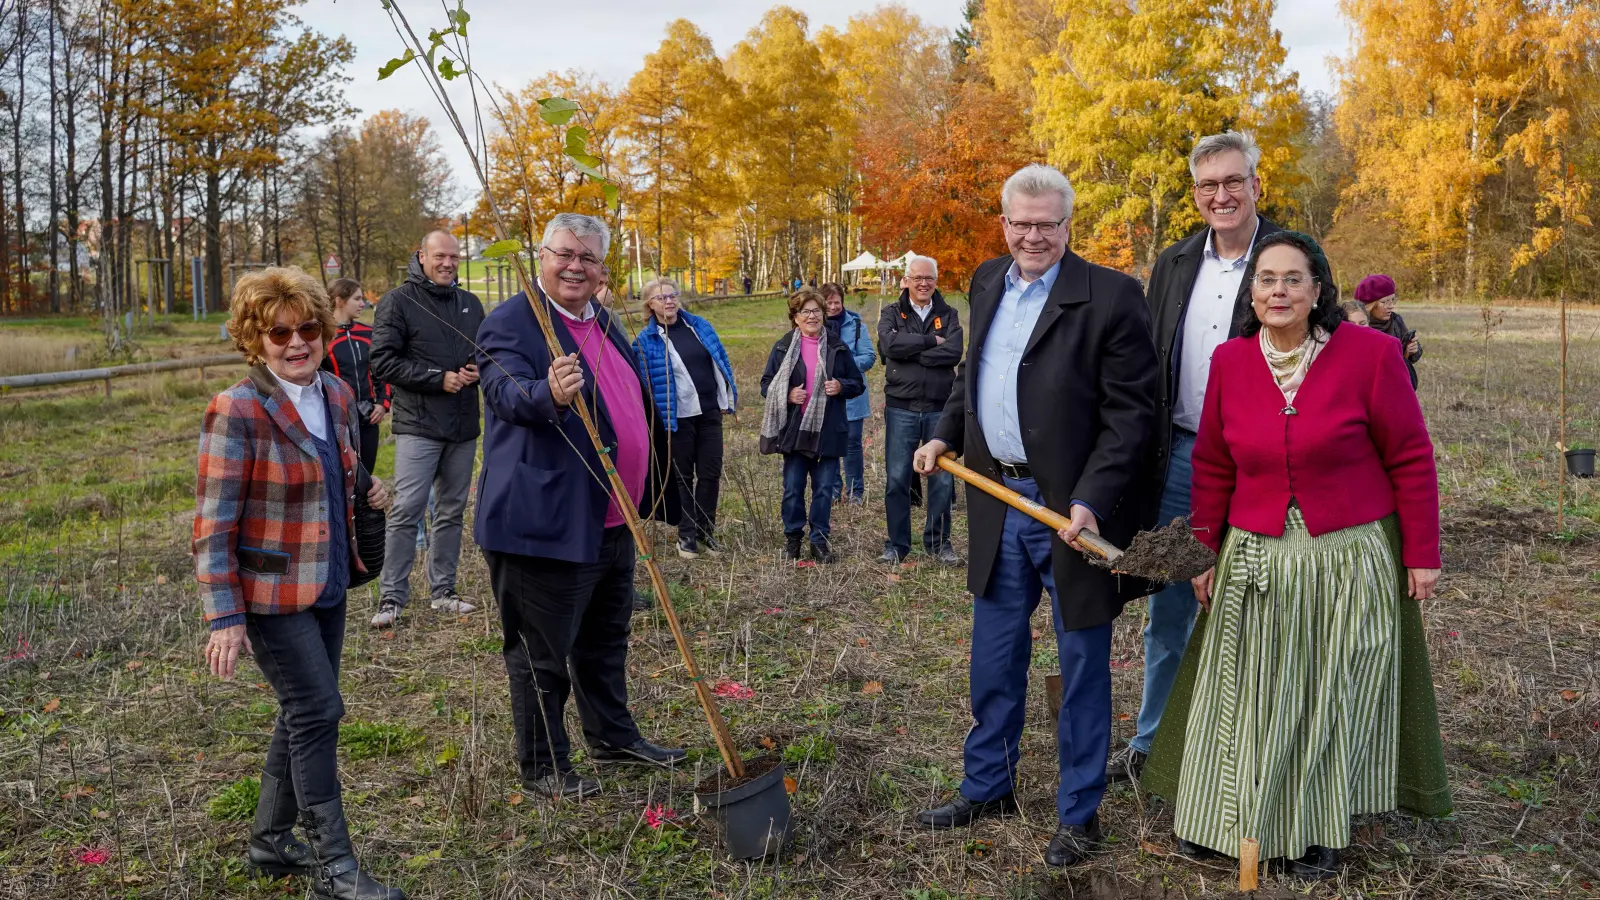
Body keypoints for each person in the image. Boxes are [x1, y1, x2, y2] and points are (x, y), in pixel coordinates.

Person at [1151, 231, 1448, 879]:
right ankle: (1221, 821)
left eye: (1293, 279)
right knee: (1243, 691)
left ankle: (1318, 827)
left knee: (1324, 691)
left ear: (1319, 291)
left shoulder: (1370, 354)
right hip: (1255, 552)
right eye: (1265, 279)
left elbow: (1410, 454)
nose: (1277, 291)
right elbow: (1212, 465)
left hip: (1345, 555)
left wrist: (1421, 551)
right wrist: (1203, 553)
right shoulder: (1231, 362)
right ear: (1250, 291)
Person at [910, 164, 1157, 867]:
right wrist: (945, 434)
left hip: (1069, 516)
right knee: (994, 660)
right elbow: (972, 378)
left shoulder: (1110, 296)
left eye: (1047, 224)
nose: (1032, 236)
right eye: (1020, 223)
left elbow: (1130, 415)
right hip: (996, 502)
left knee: (1081, 666)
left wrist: (1089, 499)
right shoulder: (988, 280)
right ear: (1005, 224)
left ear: (1068, 225)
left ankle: (1079, 814)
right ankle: (988, 784)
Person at [195, 267, 402, 900]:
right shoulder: (238, 409)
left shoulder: (336, 393)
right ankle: (335, 867)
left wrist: (367, 484)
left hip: (332, 579)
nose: (296, 342)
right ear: (255, 340)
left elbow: (342, 462)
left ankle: (269, 841)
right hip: (270, 594)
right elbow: (212, 525)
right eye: (279, 332)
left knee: (302, 712)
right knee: (318, 709)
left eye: (307, 328)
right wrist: (225, 617)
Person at [475, 213, 686, 799]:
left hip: (611, 519)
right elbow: (505, 392)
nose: (575, 266)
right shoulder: (513, 322)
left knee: (604, 637)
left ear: (603, 269)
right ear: (542, 256)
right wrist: (551, 394)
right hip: (544, 521)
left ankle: (613, 736)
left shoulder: (603, 319)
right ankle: (544, 766)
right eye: (564, 253)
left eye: (588, 258)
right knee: (542, 653)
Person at [1111, 131, 1282, 784]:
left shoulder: (1288, 255)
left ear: (1256, 185)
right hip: (1182, 456)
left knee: (1263, 594)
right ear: (1195, 194)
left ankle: (1253, 747)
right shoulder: (1176, 262)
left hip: (1263, 460)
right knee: (1172, 601)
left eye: (1233, 181)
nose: (1222, 195)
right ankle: (1154, 742)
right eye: (1209, 185)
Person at [369, 231, 485, 627]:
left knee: (451, 511)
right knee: (407, 510)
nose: (448, 263)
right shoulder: (397, 302)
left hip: (463, 424)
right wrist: (438, 378)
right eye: (440, 256)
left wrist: (477, 370)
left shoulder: (470, 303)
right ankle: (392, 598)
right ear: (421, 256)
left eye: (454, 257)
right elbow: (382, 362)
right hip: (418, 424)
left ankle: (443, 591)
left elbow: (486, 354)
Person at [632, 277, 738, 558]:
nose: (669, 301)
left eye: (672, 295)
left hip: (709, 412)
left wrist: (728, 396)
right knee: (682, 477)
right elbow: (644, 387)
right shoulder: (645, 341)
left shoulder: (699, 326)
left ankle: (706, 533)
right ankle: (687, 536)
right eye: (661, 298)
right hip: (676, 419)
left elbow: (721, 360)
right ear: (649, 306)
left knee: (710, 474)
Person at [759, 287, 865, 563]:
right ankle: (793, 538)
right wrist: (788, 393)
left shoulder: (836, 346)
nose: (811, 316)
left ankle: (820, 540)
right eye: (805, 311)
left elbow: (857, 384)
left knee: (823, 490)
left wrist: (841, 385)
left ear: (823, 314)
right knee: (793, 489)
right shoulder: (783, 346)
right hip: (794, 432)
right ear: (795, 317)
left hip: (828, 432)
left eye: (816, 311)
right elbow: (766, 384)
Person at [877, 254, 963, 564]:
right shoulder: (891, 313)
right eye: (917, 278)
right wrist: (930, 342)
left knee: (942, 480)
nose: (924, 283)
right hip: (902, 407)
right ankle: (897, 546)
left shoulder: (949, 314)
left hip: (941, 408)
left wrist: (911, 351)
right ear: (906, 281)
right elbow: (888, 347)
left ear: (936, 281)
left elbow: (954, 352)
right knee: (897, 478)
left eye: (929, 278)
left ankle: (939, 544)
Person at [321, 279, 389, 475]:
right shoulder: (323, 336)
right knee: (341, 476)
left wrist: (382, 403)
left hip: (369, 416)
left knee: (366, 475)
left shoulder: (368, 333)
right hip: (337, 417)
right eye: (357, 299)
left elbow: (381, 370)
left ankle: (365, 506)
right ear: (339, 300)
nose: (362, 304)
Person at [822, 282, 875, 503]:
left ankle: (855, 491)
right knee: (828, 442)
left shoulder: (856, 324)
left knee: (852, 442)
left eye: (837, 302)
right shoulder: (815, 324)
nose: (833, 307)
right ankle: (834, 489)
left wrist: (842, 365)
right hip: (825, 393)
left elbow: (869, 356)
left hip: (852, 392)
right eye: (829, 302)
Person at [1355, 274, 1422, 387]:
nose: (1391, 306)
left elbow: (1409, 358)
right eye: (1385, 302)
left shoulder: (1396, 320)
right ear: (1370, 305)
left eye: (1392, 300)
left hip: (1393, 385)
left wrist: (1413, 350)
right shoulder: (1355, 324)